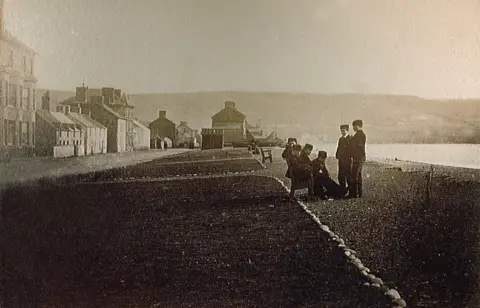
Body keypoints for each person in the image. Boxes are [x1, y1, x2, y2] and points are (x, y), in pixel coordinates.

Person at [347, 119, 366, 198]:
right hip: (360, 157)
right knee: (358, 175)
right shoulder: (360, 134)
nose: (353, 128)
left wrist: (352, 140)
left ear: (358, 126)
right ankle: (358, 193)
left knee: (354, 175)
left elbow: (359, 145)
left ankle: (354, 194)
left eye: (354, 126)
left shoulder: (360, 135)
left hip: (359, 157)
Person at [335, 124, 352, 190]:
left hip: (348, 160)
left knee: (348, 176)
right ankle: (342, 189)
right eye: (341, 131)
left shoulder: (350, 139)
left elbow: (351, 150)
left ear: (347, 130)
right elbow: (338, 148)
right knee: (341, 176)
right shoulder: (341, 139)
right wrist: (337, 155)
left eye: (343, 130)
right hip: (341, 160)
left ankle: (350, 190)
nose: (342, 132)